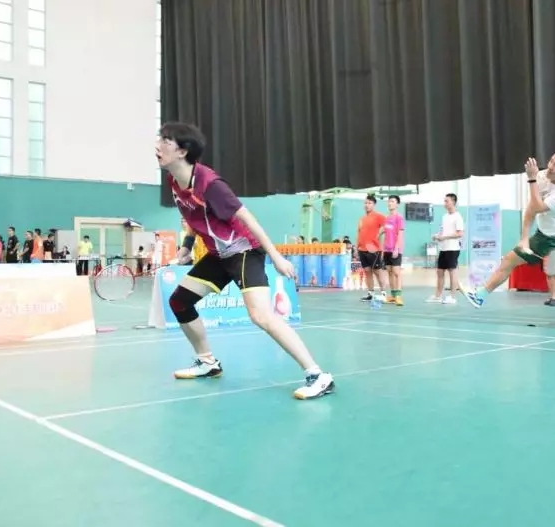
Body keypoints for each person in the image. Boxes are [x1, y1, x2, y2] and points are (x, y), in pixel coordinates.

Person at [156, 122, 334, 400]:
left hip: (244, 251)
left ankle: (318, 375)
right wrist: (186, 248)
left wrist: (276, 256)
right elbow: (193, 217)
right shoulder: (175, 181)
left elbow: (248, 218)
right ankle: (207, 362)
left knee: (261, 315)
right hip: (218, 254)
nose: (157, 146)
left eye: (165, 141)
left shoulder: (211, 185)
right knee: (180, 301)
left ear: (182, 151)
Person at [463, 146, 555, 354]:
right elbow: (531, 208)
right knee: (509, 260)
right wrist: (524, 238)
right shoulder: (542, 176)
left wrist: (531, 180)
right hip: (541, 235)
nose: (550, 167)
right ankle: (480, 295)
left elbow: (539, 207)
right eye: (551, 161)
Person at [426, 193, 465, 304]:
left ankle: (452, 297)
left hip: (453, 248)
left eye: (447, 201)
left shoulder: (458, 216)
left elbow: (460, 233)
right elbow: (443, 231)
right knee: (439, 271)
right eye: (444, 201)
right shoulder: (444, 217)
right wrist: (437, 236)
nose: (445, 203)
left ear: (453, 202)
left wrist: (445, 237)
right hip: (443, 248)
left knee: (452, 271)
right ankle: (437, 296)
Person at [356, 194, 389, 303]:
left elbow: (387, 226)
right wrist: (357, 247)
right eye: (365, 203)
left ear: (374, 205)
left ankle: (383, 294)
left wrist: (380, 233)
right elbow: (359, 233)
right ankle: (370, 294)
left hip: (373, 249)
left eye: (369, 203)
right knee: (367, 271)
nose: (367, 205)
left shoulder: (379, 216)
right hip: (362, 249)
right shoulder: (362, 219)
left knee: (377, 271)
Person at [383, 194, 406, 306]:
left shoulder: (399, 218)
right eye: (389, 201)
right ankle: (392, 295)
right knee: (390, 272)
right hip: (386, 249)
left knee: (396, 272)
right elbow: (386, 232)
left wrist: (396, 248)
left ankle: (398, 296)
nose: (390, 203)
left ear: (397, 204)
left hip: (396, 249)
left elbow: (400, 234)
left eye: (392, 201)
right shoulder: (387, 218)